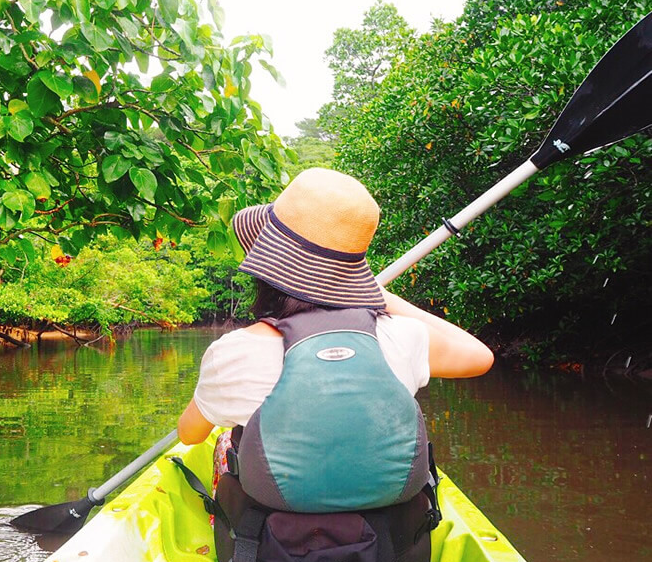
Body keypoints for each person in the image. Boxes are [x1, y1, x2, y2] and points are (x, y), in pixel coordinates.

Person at [177, 167, 494, 486]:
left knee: (225, 442)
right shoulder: (401, 338)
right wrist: (380, 296)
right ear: (352, 274)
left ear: (269, 266)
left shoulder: (232, 353)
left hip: (274, 529)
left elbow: (189, 435)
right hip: (383, 530)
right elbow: (479, 357)